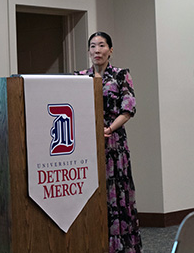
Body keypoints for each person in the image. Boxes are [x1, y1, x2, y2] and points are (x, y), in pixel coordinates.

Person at [75, 32, 142, 252]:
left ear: (110, 50)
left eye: (102, 45)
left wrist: (109, 129)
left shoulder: (121, 75)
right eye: (92, 46)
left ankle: (120, 245)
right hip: (87, 144)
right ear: (88, 51)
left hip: (113, 143)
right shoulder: (80, 77)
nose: (97, 50)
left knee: (115, 191)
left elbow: (129, 108)